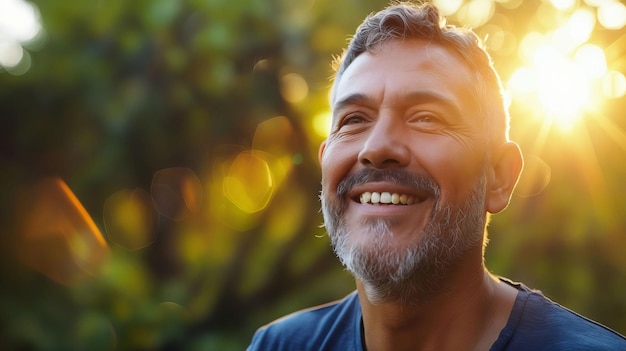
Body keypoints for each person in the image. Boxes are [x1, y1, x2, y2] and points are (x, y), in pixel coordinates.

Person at [247, 2, 626, 350]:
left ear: (499, 177)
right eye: (354, 119)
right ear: (325, 161)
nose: (376, 147)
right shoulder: (278, 345)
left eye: (426, 118)